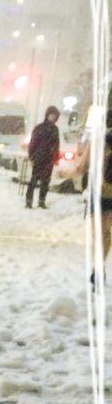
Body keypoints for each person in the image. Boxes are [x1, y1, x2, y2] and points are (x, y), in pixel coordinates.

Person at [61, 108, 112, 288]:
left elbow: (81, 168)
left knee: (100, 234)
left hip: (100, 192)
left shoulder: (97, 141)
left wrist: (64, 174)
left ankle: (98, 269)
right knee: (107, 235)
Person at [25, 105, 60, 209]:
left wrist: (55, 157)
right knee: (34, 180)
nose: (53, 117)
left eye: (55, 116)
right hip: (39, 157)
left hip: (49, 159)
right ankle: (29, 201)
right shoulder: (39, 128)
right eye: (52, 115)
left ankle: (41, 201)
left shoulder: (55, 129)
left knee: (46, 181)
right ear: (47, 115)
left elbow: (56, 144)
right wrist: (31, 156)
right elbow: (33, 143)